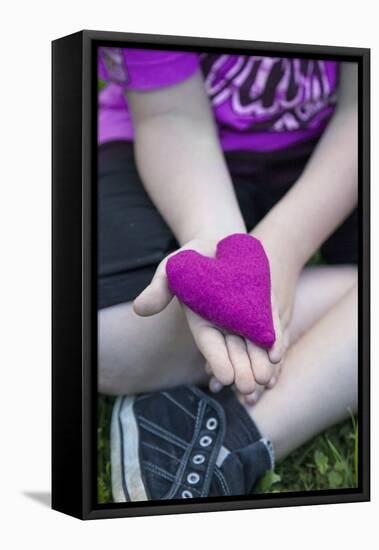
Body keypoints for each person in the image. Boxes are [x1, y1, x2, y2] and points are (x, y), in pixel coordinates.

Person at [97, 48, 358, 499]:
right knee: (105, 340)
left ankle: (231, 437)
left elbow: (363, 113)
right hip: (174, 149)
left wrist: (285, 246)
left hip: (339, 154)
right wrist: (218, 244)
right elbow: (170, 116)